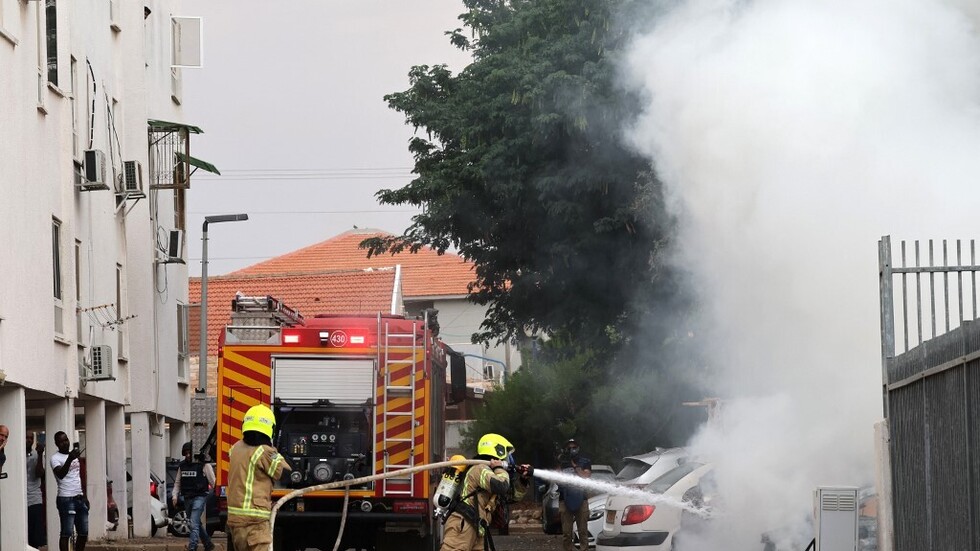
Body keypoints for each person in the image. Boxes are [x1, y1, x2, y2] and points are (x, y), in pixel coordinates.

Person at [440, 433, 532, 551]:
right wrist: (499, 468)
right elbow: (501, 485)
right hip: (462, 524)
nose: (508, 459)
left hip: (477, 524)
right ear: (497, 451)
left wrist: (523, 480)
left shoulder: (490, 473)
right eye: (506, 454)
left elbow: (511, 496)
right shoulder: (480, 469)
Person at [226, 404, 292, 551]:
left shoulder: (236, 447)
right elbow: (286, 474)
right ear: (270, 429)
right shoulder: (264, 451)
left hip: (235, 520)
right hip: (255, 521)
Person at [172, 441, 216, 551]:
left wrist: (218, 495)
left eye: (189, 453)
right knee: (196, 522)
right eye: (185, 453)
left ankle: (192, 546)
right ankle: (208, 544)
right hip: (187, 497)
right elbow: (177, 483)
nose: (187, 455)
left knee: (193, 522)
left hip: (200, 497)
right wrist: (174, 496)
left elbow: (213, 482)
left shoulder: (204, 465)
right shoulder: (182, 466)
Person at [51, 431, 87, 551]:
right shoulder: (55, 458)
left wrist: (85, 496)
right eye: (61, 442)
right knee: (66, 532)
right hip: (66, 498)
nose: (64, 443)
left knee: (83, 532)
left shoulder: (74, 456)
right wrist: (70, 459)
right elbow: (60, 474)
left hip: (79, 497)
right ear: (56, 444)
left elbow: (79, 476)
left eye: (66, 440)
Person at [557, 438, 592, 551]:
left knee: (582, 531)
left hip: (581, 500)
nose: (572, 450)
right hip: (565, 499)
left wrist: (576, 467)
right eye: (569, 448)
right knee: (566, 533)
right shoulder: (561, 462)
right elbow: (557, 479)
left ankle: (584, 549)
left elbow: (586, 477)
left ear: (578, 448)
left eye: (574, 447)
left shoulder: (585, 461)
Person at [27, 432, 47, 549]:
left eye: (31, 438)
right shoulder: (17, 454)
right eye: (26, 437)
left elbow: (39, 474)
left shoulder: (36, 455)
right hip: (20, 500)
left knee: (35, 537)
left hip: (34, 499)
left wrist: (40, 455)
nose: (29, 440)